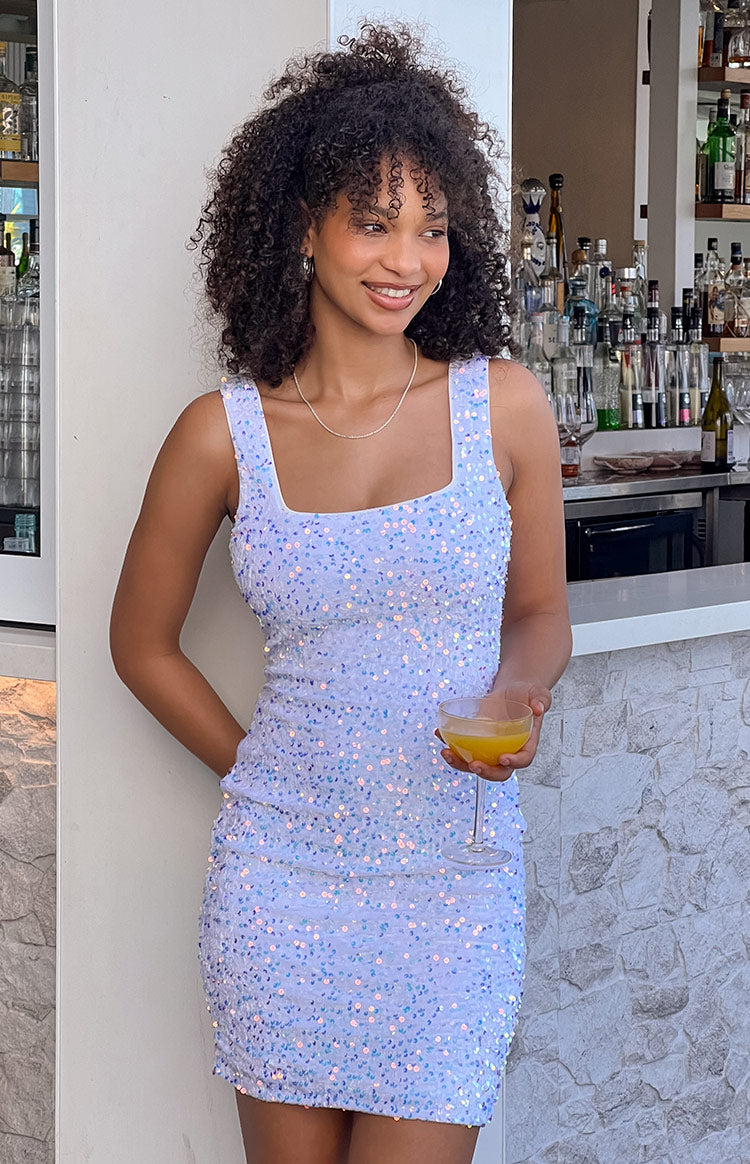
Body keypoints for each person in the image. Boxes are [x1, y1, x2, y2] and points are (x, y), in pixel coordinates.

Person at [109, 22, 572, 1164]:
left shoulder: (502, 407)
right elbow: (141, 643)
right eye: (373, 221)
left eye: (432, 228)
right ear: (302, 227)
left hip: (453, 881)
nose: (405, 258)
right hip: (282, 888)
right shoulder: (220, 438)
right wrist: (258, 771)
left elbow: (540, 614)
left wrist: (517, 693)